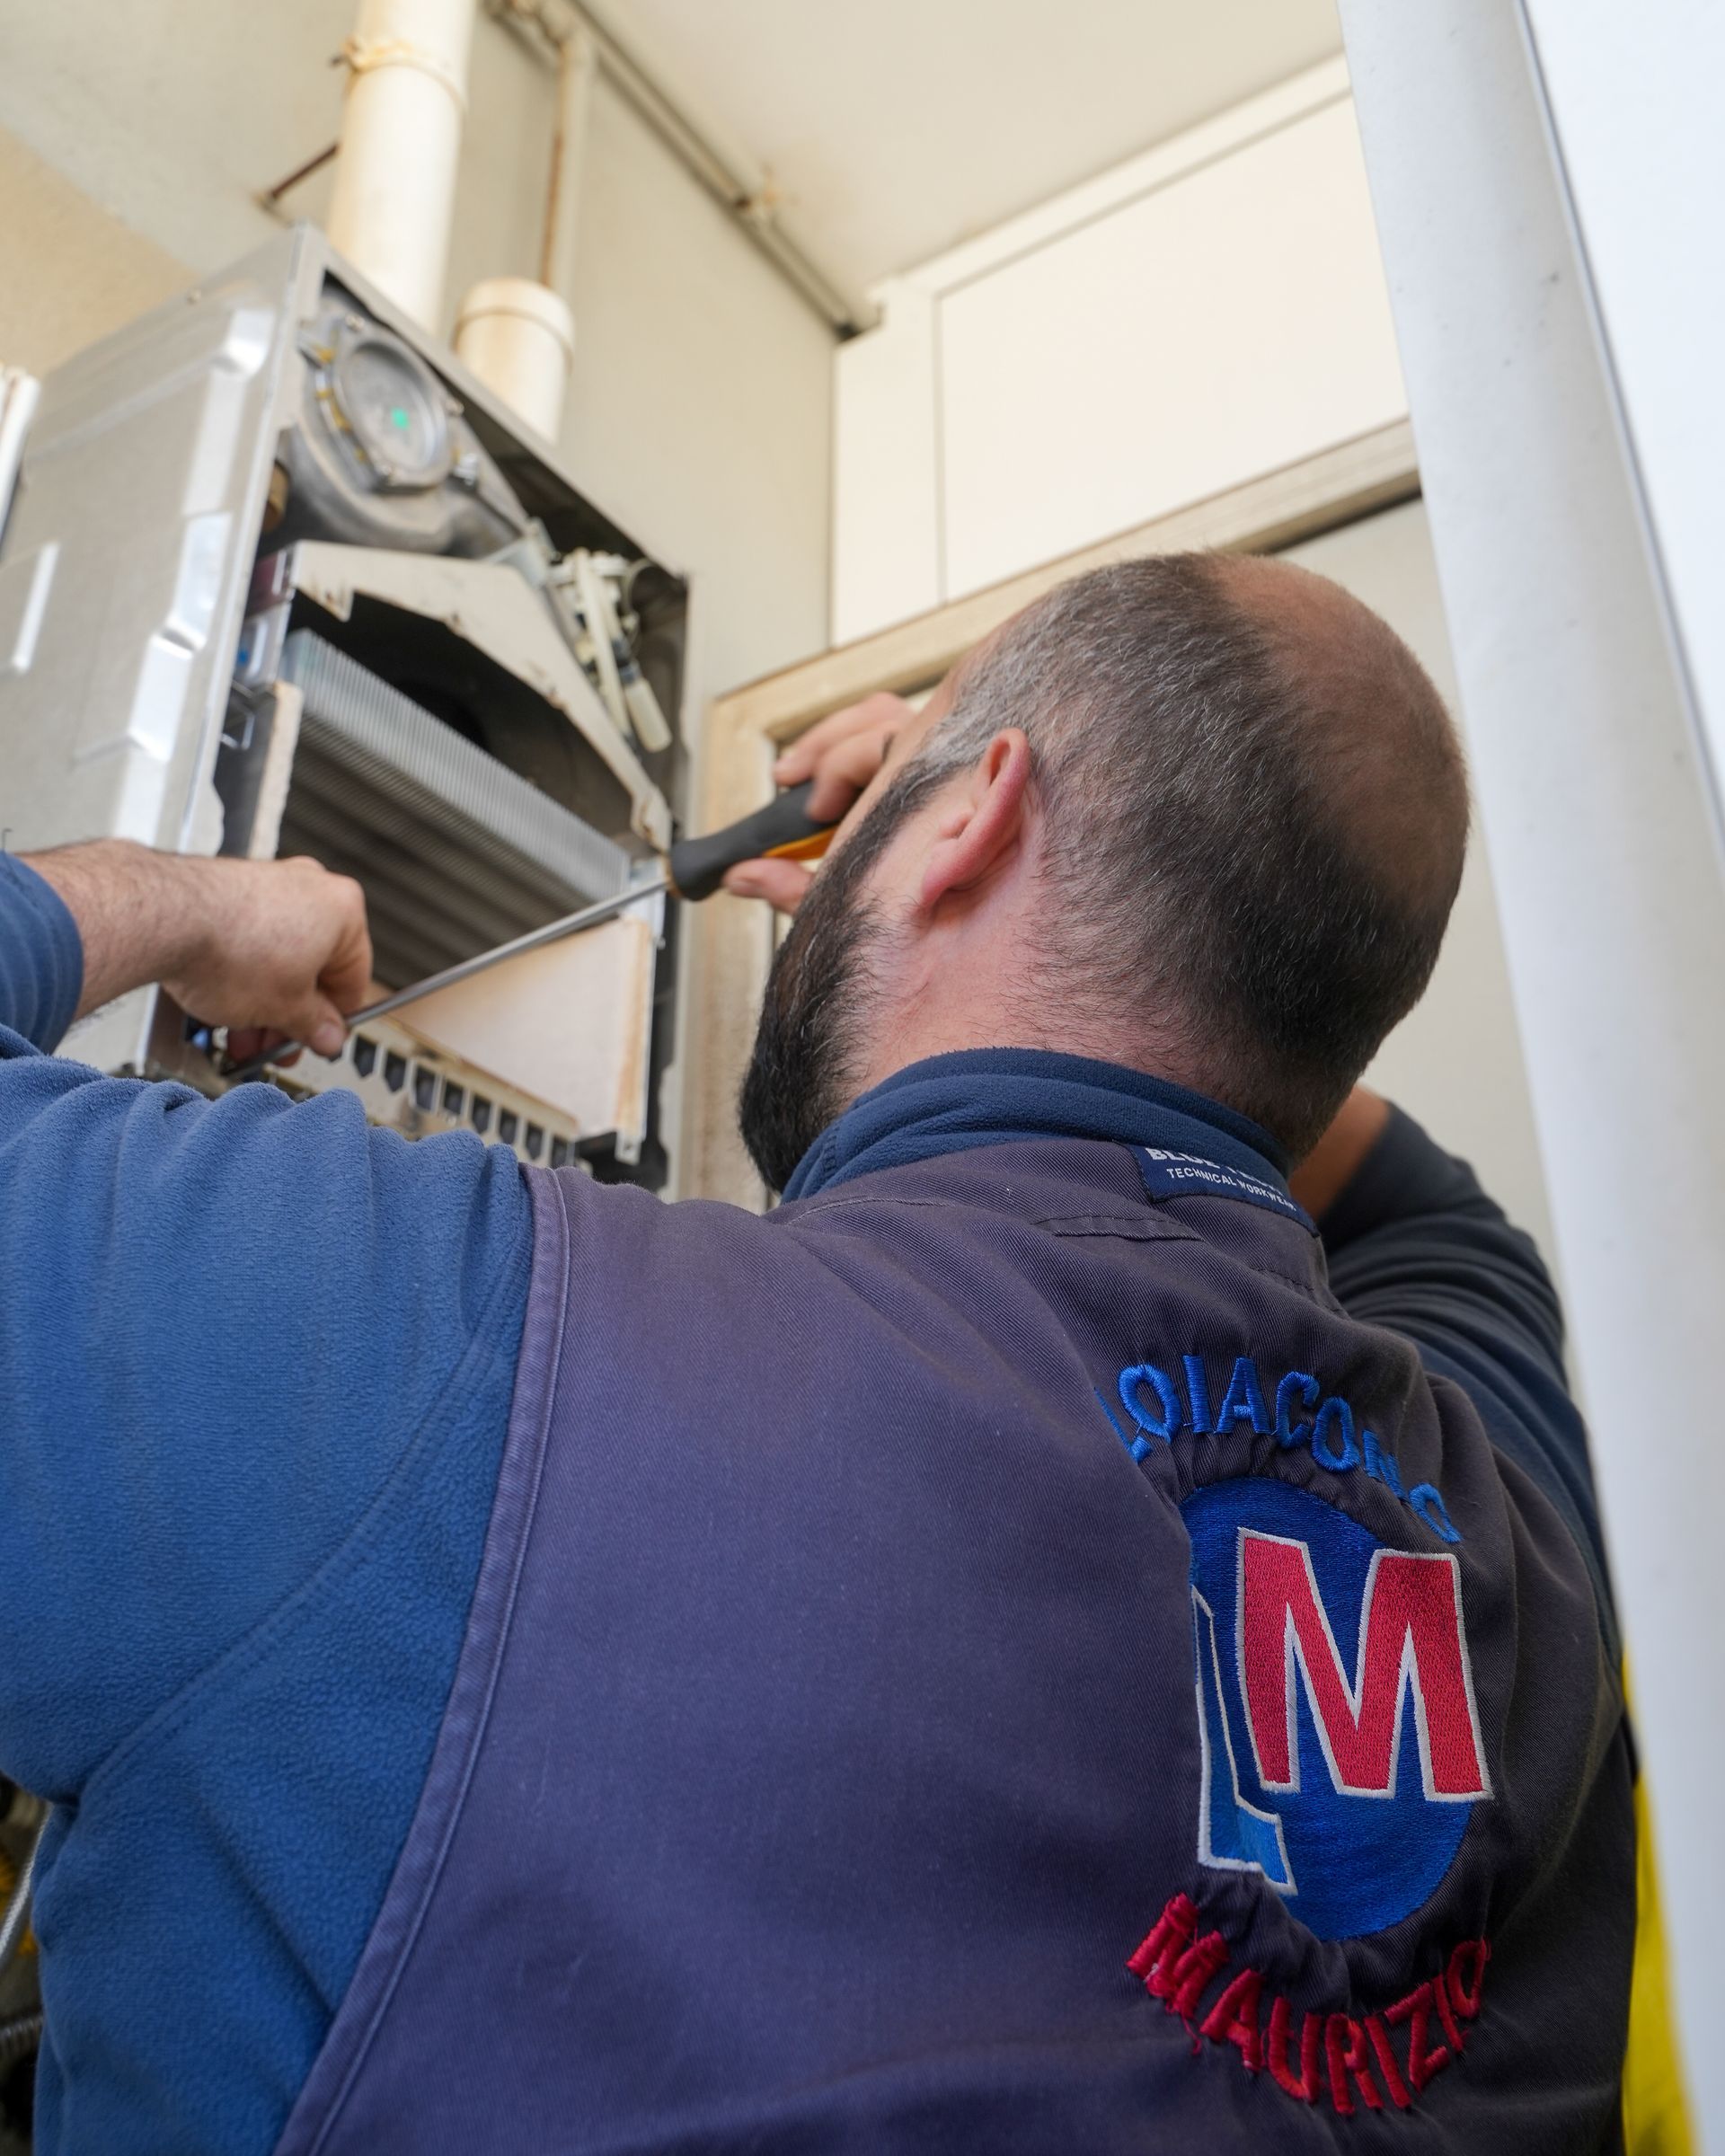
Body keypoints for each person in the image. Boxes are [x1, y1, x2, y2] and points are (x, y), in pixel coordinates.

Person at [0, 553, 1631, 2153]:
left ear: (967, 825)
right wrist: (1126, 876)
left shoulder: (446, 1342)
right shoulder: (1526, 1559)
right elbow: (1435, 1215)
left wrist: (205, 901)